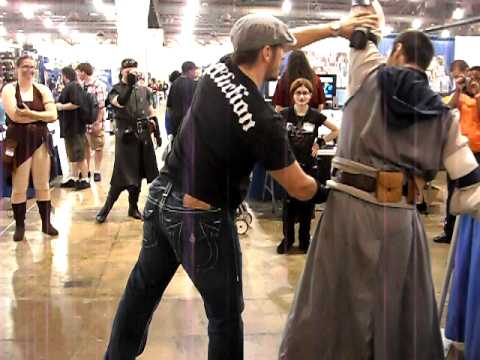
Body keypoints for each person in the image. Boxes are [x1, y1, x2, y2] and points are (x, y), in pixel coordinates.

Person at [103, 12, 377, 360]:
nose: (284, 55)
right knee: (225, 318)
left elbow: (288, 38)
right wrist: (336, 186)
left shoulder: (219, 70)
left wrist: (336, 29)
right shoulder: (263, 121)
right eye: (279, 50)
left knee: (141, 291)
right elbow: (300, 188)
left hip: (160, 198)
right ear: (266, 53)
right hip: (202, 218)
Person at [279, 1, 480, 359]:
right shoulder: (443, 116)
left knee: (331, 318)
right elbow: (470, 189)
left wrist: (367, 20)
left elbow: (362, 31)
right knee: (398, 324)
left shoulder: (367, 72)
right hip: (400, 221)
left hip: (347, 214)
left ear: (398, 50)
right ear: (429, 63)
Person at [277, 78, 339, 254]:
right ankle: (287, 240)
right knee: (288, 207)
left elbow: (336, 130)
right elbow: (272, 131)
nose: (302, 96)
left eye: (305, 93)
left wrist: (320, 142)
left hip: (309, 167)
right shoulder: (284, 114)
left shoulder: (315, 116)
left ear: (310, 95)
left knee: (306, 205)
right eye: (298, 93)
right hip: (289, 167)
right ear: (293, 95)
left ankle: (304, 240)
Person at [1, 55, 58, 242]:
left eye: (32, 67)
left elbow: (53, 115)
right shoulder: (9, 89)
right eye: (25, 66)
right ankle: (20, 226)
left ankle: (46, 223)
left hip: (40, 140)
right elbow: (15, 116)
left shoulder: (42, 89)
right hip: (18, 141)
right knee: (20, 185)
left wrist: (30, 114)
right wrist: (40, 116)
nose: (29, 70)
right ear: (17, 68)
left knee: (43, 184)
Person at [95, 58, 159, 224]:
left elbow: (149, 110)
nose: (131, 72)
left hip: (143, 135)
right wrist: (130, 85)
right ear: (122, 70)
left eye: (134, 69)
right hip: (126, 136)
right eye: (127, 69)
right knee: (122, 175)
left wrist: (156, 130)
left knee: (138, 173)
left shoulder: (144, 90)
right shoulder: (115, 90)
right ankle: (106, 208)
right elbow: (121, 103)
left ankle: (133, 207)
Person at [434, 59, 471, 244]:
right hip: (458, 150)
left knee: (471, 192)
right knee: (453, 190)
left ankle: (465, 234)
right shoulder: (456, 94)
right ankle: (450, 231)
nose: (458, 79)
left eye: (459, 75)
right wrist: (458, 89)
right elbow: (449, 107)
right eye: (454, 77)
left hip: (474, 150)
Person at [56, 66, 90, 190]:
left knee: (79, 154)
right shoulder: (72, 87)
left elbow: (75, 104)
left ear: (65, 75)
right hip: (70, 128)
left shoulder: (73, 87)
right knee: (72, 155)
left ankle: (85, 179)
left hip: (75, 127)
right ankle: (75, 178)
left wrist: (61, 106)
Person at [75, 62, 107, 183]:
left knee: (98, 146)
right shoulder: (80, 85)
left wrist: (98, 122)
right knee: (85, 147)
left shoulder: (98, 85)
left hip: (94, 121)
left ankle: (97, 171)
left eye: (78, 72)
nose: (77, 74)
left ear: (83, 72)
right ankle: (86, 169)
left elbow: (101, 106)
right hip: (83, 123)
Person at [166, 61, 197, 137]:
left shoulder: (174, 84)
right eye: (194, 71)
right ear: (190, 71)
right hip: (190, 124)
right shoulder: (194, 84)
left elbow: (169, 106)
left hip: (176, 123)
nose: (195, 73)